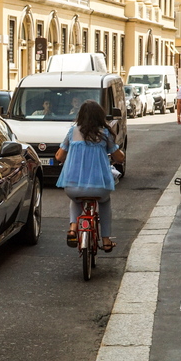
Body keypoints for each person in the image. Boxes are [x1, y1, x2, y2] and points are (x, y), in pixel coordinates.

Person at [55, 100, 125, 252]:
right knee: (105, 203)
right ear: (99, 117)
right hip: (99, 188)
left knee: (75, 199)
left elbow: (59, 156)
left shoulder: (72, 132)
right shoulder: (105, 134)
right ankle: (106, 240)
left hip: (73, 186)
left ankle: (73, 228)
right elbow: (119, 158)